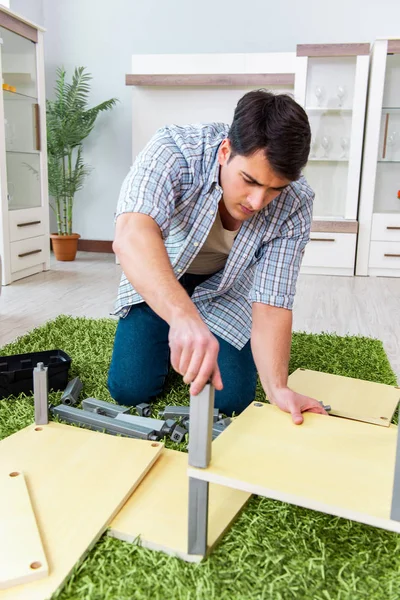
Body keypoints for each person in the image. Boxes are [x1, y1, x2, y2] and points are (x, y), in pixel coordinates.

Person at [108, 89, 327, 425]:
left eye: (274, 189)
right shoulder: (175, 150)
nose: (257, 201)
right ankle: (172, 333)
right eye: (250, 181)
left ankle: (189, 333)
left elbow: (271, 301)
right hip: (162, 276)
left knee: (234, 399)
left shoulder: (296, 201)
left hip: (226, 287)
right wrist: (182, 317)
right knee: (129, 389)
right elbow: (131, 236)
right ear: (226, 151)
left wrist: (278, 387)